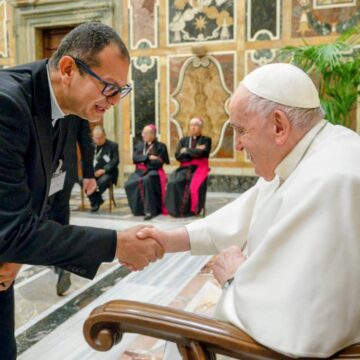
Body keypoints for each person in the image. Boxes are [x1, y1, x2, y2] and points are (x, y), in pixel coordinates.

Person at [136, 63, 360, 357]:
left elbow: (298, 324)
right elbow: (247, 210)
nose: (238, 145)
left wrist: (234, 277)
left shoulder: (332, 181)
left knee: (179, 340)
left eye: (241, 130)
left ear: (279, 126)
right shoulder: (311, 151)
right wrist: (169, 241)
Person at [0, 23, 163, 360]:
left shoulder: (63, 109)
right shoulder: (7, 105)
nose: (115, 101)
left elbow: (37, 194)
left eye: (122, 90)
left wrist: (15, 252)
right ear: (68, 69)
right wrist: (117, 244)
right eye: (109, 88)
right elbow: (11, 230)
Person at [47, 116, 97, 296]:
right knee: (60, 217)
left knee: (42, 218)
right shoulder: (80, 101)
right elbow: (86, 140)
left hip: (44, 167)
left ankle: (56, 261)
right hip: (65, 169)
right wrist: (89, 174)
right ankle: (60, 261)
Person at [165, 117, 211, 217]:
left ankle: (195, 209)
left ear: (201, 127)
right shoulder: (183, 140)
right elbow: (178, 155)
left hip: (199, 168)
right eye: (191, 125)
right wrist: (194, 151)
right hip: (184, 168)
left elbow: (203, 153)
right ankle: (176, 209)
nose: (193, 127)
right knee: (173, 182)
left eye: (196, 125)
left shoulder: (206, 140)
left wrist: (186, 150)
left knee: (196, 186)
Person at [125, 124, 169, 220]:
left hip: (153, 171)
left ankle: (150, 211)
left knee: (146, 180)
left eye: (145, 133)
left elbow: (159, 162)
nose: (143, 135)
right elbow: (135, 158)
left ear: (152, 134)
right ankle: (137, 210)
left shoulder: (161, 146)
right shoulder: (139, 145)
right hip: (139, 171)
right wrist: (148, 157)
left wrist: (143, 161)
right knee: (128, 183)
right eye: (143, 133)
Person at [87, 125, 120, 212]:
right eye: (96, 138)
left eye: (100, 138)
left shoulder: (113, 145)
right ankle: (98, 200)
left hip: (108, 173)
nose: (98, 140)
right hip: (93, 172)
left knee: (102, 181)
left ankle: (95, 202)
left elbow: (115, 161)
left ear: (105, 135)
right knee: (82, 180)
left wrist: (104, 170)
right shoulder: (90, 146)